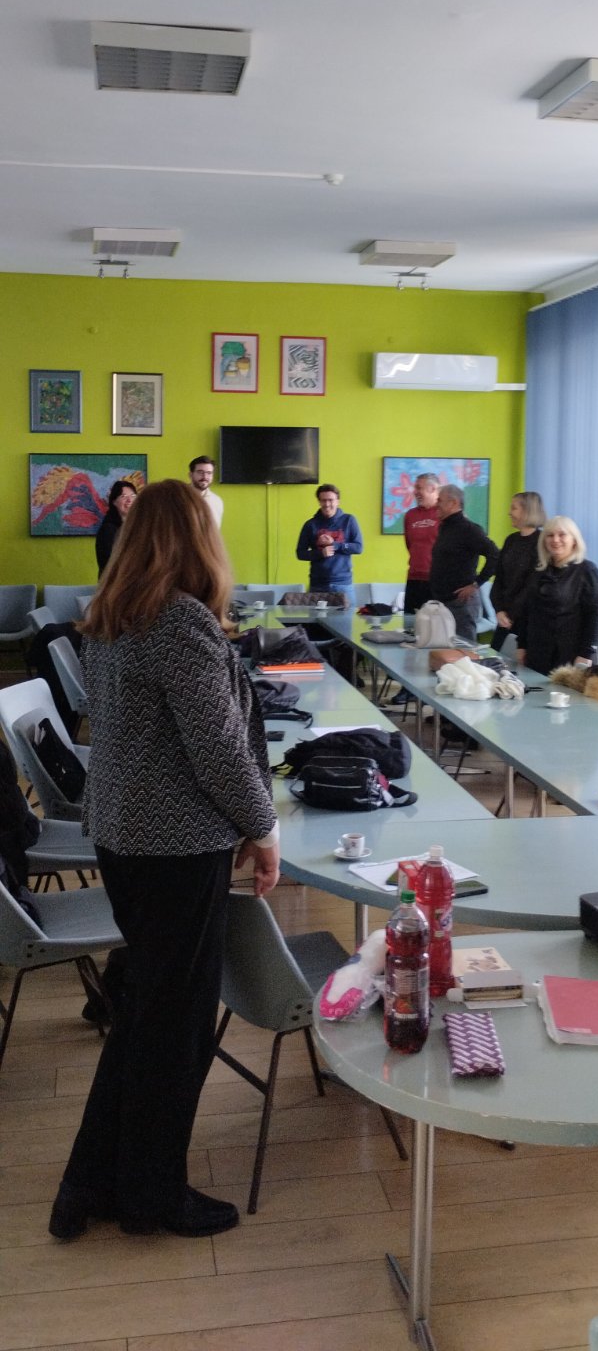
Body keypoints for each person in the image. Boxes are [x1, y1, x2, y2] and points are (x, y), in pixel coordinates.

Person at [49, 480, 280, 1243]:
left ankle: (89, 1184)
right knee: (174, 1029)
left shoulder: (111, 616)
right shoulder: (179, 621)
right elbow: (217, 751)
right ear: (195, 539)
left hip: (123, 837)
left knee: (146, 1016)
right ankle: (151, 1195)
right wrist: (264, 828)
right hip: (174, 846)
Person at [516, 515, 598, 674]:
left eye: (562, 534)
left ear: (574, 540)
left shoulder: (587, 571)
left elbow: (597, 616)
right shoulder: (538, 570)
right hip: (537, 652)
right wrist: (521, 644)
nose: (555, 540)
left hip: (571, 656)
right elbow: (526, 611)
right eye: (550, 535)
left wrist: (586, 653)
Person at [429, 484, 499, 643]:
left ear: (453, 503)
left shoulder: (469, 529)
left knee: (464, 651)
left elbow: (495, 555)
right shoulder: (445, 528)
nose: (436, 504)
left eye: (440, 500)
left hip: (461, 605)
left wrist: (476, 584)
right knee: (442, 651)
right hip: (442, 602)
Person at [490, 491, 546, 652]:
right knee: (494, 658)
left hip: (527, 620)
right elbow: (499, 579)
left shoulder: (542, 542)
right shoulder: (511, 540)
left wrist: (511, 614)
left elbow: (532, 585)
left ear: (527, 511)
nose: (509, 513)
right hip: (504, 618)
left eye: (514, 508)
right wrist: (499, 610)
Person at [296, 483, 363, 601]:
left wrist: (335, 545)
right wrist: (321, 553)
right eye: (323, 500)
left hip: (343, 584)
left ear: (338, 501)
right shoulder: (310, 524)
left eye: (331, 500)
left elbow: (358, 547)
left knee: (347, 614)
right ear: (319, 502)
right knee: (315, 615)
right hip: (317, 585)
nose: (327, 504)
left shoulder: (349, 520)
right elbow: (300, 553)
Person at [403, 473, 441, 615]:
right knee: (410, 623)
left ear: (433, 489)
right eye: (415, 488)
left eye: (419, 488)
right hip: (413, 578)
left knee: (435, 624)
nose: (415, 492)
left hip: (437, 580)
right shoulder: (410, 515)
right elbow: (410, 545)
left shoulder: (444, 514)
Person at [95, 480, 137, 575]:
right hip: (115, 581)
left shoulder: (138, 526)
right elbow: (112, 564)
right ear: (114, 502)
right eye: (123, 496)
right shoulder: (108, 529)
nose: (129, 500)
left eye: (133, 496)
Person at [189, 454, 224, 527]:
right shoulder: (179, 498)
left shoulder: (216, 501)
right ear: (190, 475)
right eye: (200, 472)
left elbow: (215, 530)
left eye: (209, 473)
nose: (205, 477)